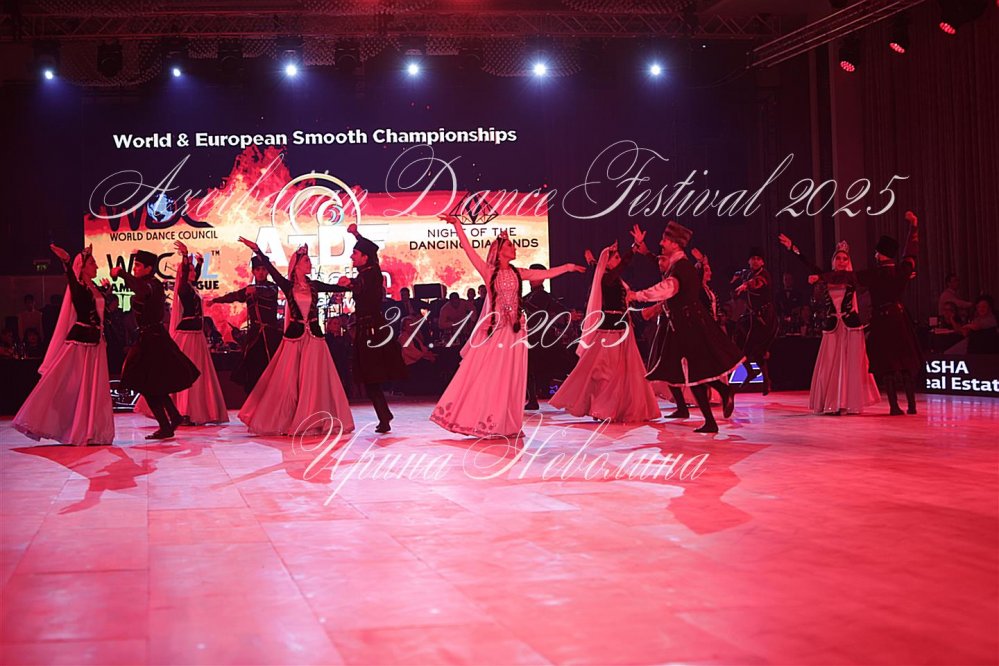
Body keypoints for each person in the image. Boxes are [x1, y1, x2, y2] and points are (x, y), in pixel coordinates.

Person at [431, 216, 585, 438]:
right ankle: (484, 419)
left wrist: (568, 267)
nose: (514, 248)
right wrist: (457, 226)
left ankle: (506, 423)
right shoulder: (488, 271)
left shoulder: (517, 272)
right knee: (490, 374)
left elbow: (545, 274)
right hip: (496, 332)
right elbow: (468, 250)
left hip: (515, 332)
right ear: (500, 251)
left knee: (511, 378)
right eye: (510, 245)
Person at [628, 221, 741, 433]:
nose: (661, 243)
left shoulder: (682, 267)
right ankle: (716, 404)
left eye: (665, 240)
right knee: (687, 372)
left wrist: (637, 295)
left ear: (675, 244)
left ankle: (715, 409)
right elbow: (662, 268)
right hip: (682, 325)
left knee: (694, 372)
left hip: (690, 325)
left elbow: (667, 288)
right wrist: (644, 252)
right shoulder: (676, 264)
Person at [236, 239, 354, 436]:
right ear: (297, 265)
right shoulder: (288, 286)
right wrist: (257, 249)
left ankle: (314, 418)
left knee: (315, 380)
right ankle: (288, 418)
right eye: (306, 260)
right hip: (295, 338)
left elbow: (337, 288)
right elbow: (270, 269)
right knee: (290, 380)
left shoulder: (314, 286)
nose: (310, 263)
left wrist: (349, 284)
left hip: (314, 338)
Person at [14, 244, 114, 446]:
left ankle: (92, 430)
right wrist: (67, 261)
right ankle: (73, 428)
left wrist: (107, 292)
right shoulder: (78, 287)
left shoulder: (94, 288)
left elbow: (102, 313)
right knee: (68, 385)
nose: (96, 266)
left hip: (96, 345)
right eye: (92, 263)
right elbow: (73, 281)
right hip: (80, 344)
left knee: (92, 390)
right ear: (82, 267)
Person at [550, 240, 659, 423]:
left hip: (622, 329)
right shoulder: (606, 278)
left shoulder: (617, 280)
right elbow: (610, 270)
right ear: (607, 263)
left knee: (622, 373)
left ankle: (616, 407)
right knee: (606, 372)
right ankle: (602, 408)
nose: (619, 260)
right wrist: (632, 251)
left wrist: (594, 261)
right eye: (615, 258)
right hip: (609, 330)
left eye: (618, 257)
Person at [778, 236, 881, 415]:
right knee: (829, 365)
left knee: (850, 365)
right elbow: (808, 264)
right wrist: (793, 248)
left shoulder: (851, 278)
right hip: (833, 326)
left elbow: (872, 276)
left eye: (844, 259)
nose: (841, 261)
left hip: (850, 326)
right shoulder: (826, 276)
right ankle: (832, 402)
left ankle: (848, 403)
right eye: (838, 258)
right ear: (833, 260)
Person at [135, 242, 229, 425]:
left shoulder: (193, 288)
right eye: (190, 271)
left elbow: (194, 276)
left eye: (194, 271)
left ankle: (195, 411)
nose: (194, 273)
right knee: (184, 374)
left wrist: (199, 264)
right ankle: (182, 411)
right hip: (187, 336)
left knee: (197, 374)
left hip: (197, 336)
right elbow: (185, 276)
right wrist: (185, 257)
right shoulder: (184, 289)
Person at [112, 249, 200, 439]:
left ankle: (167, 424)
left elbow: (141, 290)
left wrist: (121, 273)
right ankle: (172, 418)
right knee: (153, 384)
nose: (135, 269)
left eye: (138, 266)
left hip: (153, 340)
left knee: (148, 384)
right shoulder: (149, 283)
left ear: (149, 268)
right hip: (149, 338)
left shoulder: (152, 285)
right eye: (134, 266)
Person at [328, 225, 409, 433]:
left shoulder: (372, 274)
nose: (351, 256)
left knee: (371, 375)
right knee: (369, 376)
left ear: (365, 257)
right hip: (367, 330)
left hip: (372, 331)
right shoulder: (367, 272)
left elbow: (363, 285)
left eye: (355, 253)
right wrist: (356, 235)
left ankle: (384, 416)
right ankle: (384, 415)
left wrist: (350, 284)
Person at [209, 255, 283, 393]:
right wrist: (215, 301)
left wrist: (256, 289)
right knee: (251, 368)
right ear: (253, 271)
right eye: (258, 270)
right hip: (255, 335)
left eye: (263, 269)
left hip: (271, 335)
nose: (261, 272)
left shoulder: (272, 287)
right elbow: (233, 296)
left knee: (272, 367)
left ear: (267, 271)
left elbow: (267, 291)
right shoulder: (249, 289)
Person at [523, 263, 570, 410]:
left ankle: (535, 399)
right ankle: (532, 399)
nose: (531, 278)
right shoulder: (531, 296)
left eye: (534, 274)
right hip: (534, 336)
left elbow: (540, 309)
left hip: (542, 337)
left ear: (542, 277)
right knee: (530, 367)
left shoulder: (542, 295)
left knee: (555, 366)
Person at [732, 247, 778, 394]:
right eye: (753, 259)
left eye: (758, 259)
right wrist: (735, 277)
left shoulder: (764, 275)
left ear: (763, 262)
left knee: (751, 349)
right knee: (751, 349)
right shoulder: (747, 273)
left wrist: (745, 285)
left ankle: (755, 374)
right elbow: (741, 273)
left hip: (765, 318)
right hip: (753, 317)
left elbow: (757, 282)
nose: (756, 261)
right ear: (749, 261)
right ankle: (765, 381)